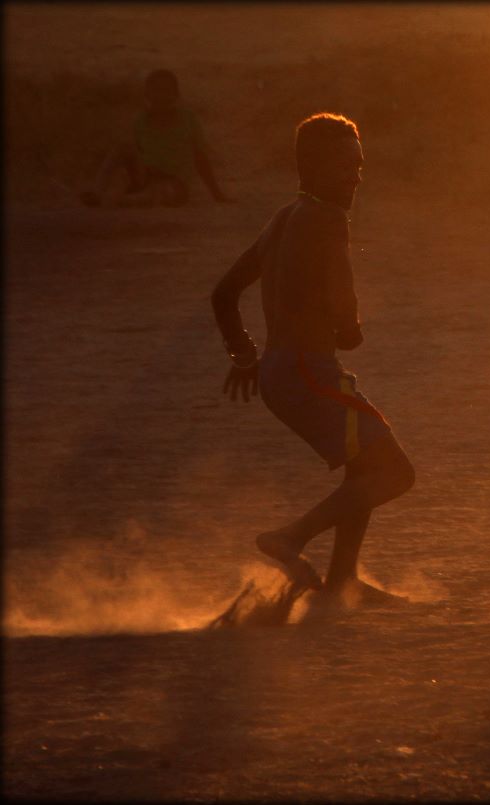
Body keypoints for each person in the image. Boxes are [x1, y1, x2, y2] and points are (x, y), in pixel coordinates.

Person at [211, 113, 414, 607]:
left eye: (360, 166)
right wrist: (350, 327)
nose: (357, 176)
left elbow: (224, 293)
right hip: (307, 371)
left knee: (364, 466)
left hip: (283, 373)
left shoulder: (284, 217)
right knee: (396, 473)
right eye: (346, 166)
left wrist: (245, 354)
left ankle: (342, 581)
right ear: (314, 167)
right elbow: (345, 308)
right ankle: (292, 537)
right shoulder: (328, 218)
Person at [80, 69, 231, 208]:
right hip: (146, 176)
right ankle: (97, 191)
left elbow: (200, 158)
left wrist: (216, 193)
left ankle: (118, 201)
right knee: (123, 148)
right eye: (156, 91)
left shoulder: (188, 119)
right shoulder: (140, 121)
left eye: (166, 91)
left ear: (176, 94)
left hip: (175, 182)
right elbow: (137, 154)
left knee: (159, 194)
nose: (161, 96)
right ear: (147, 94)